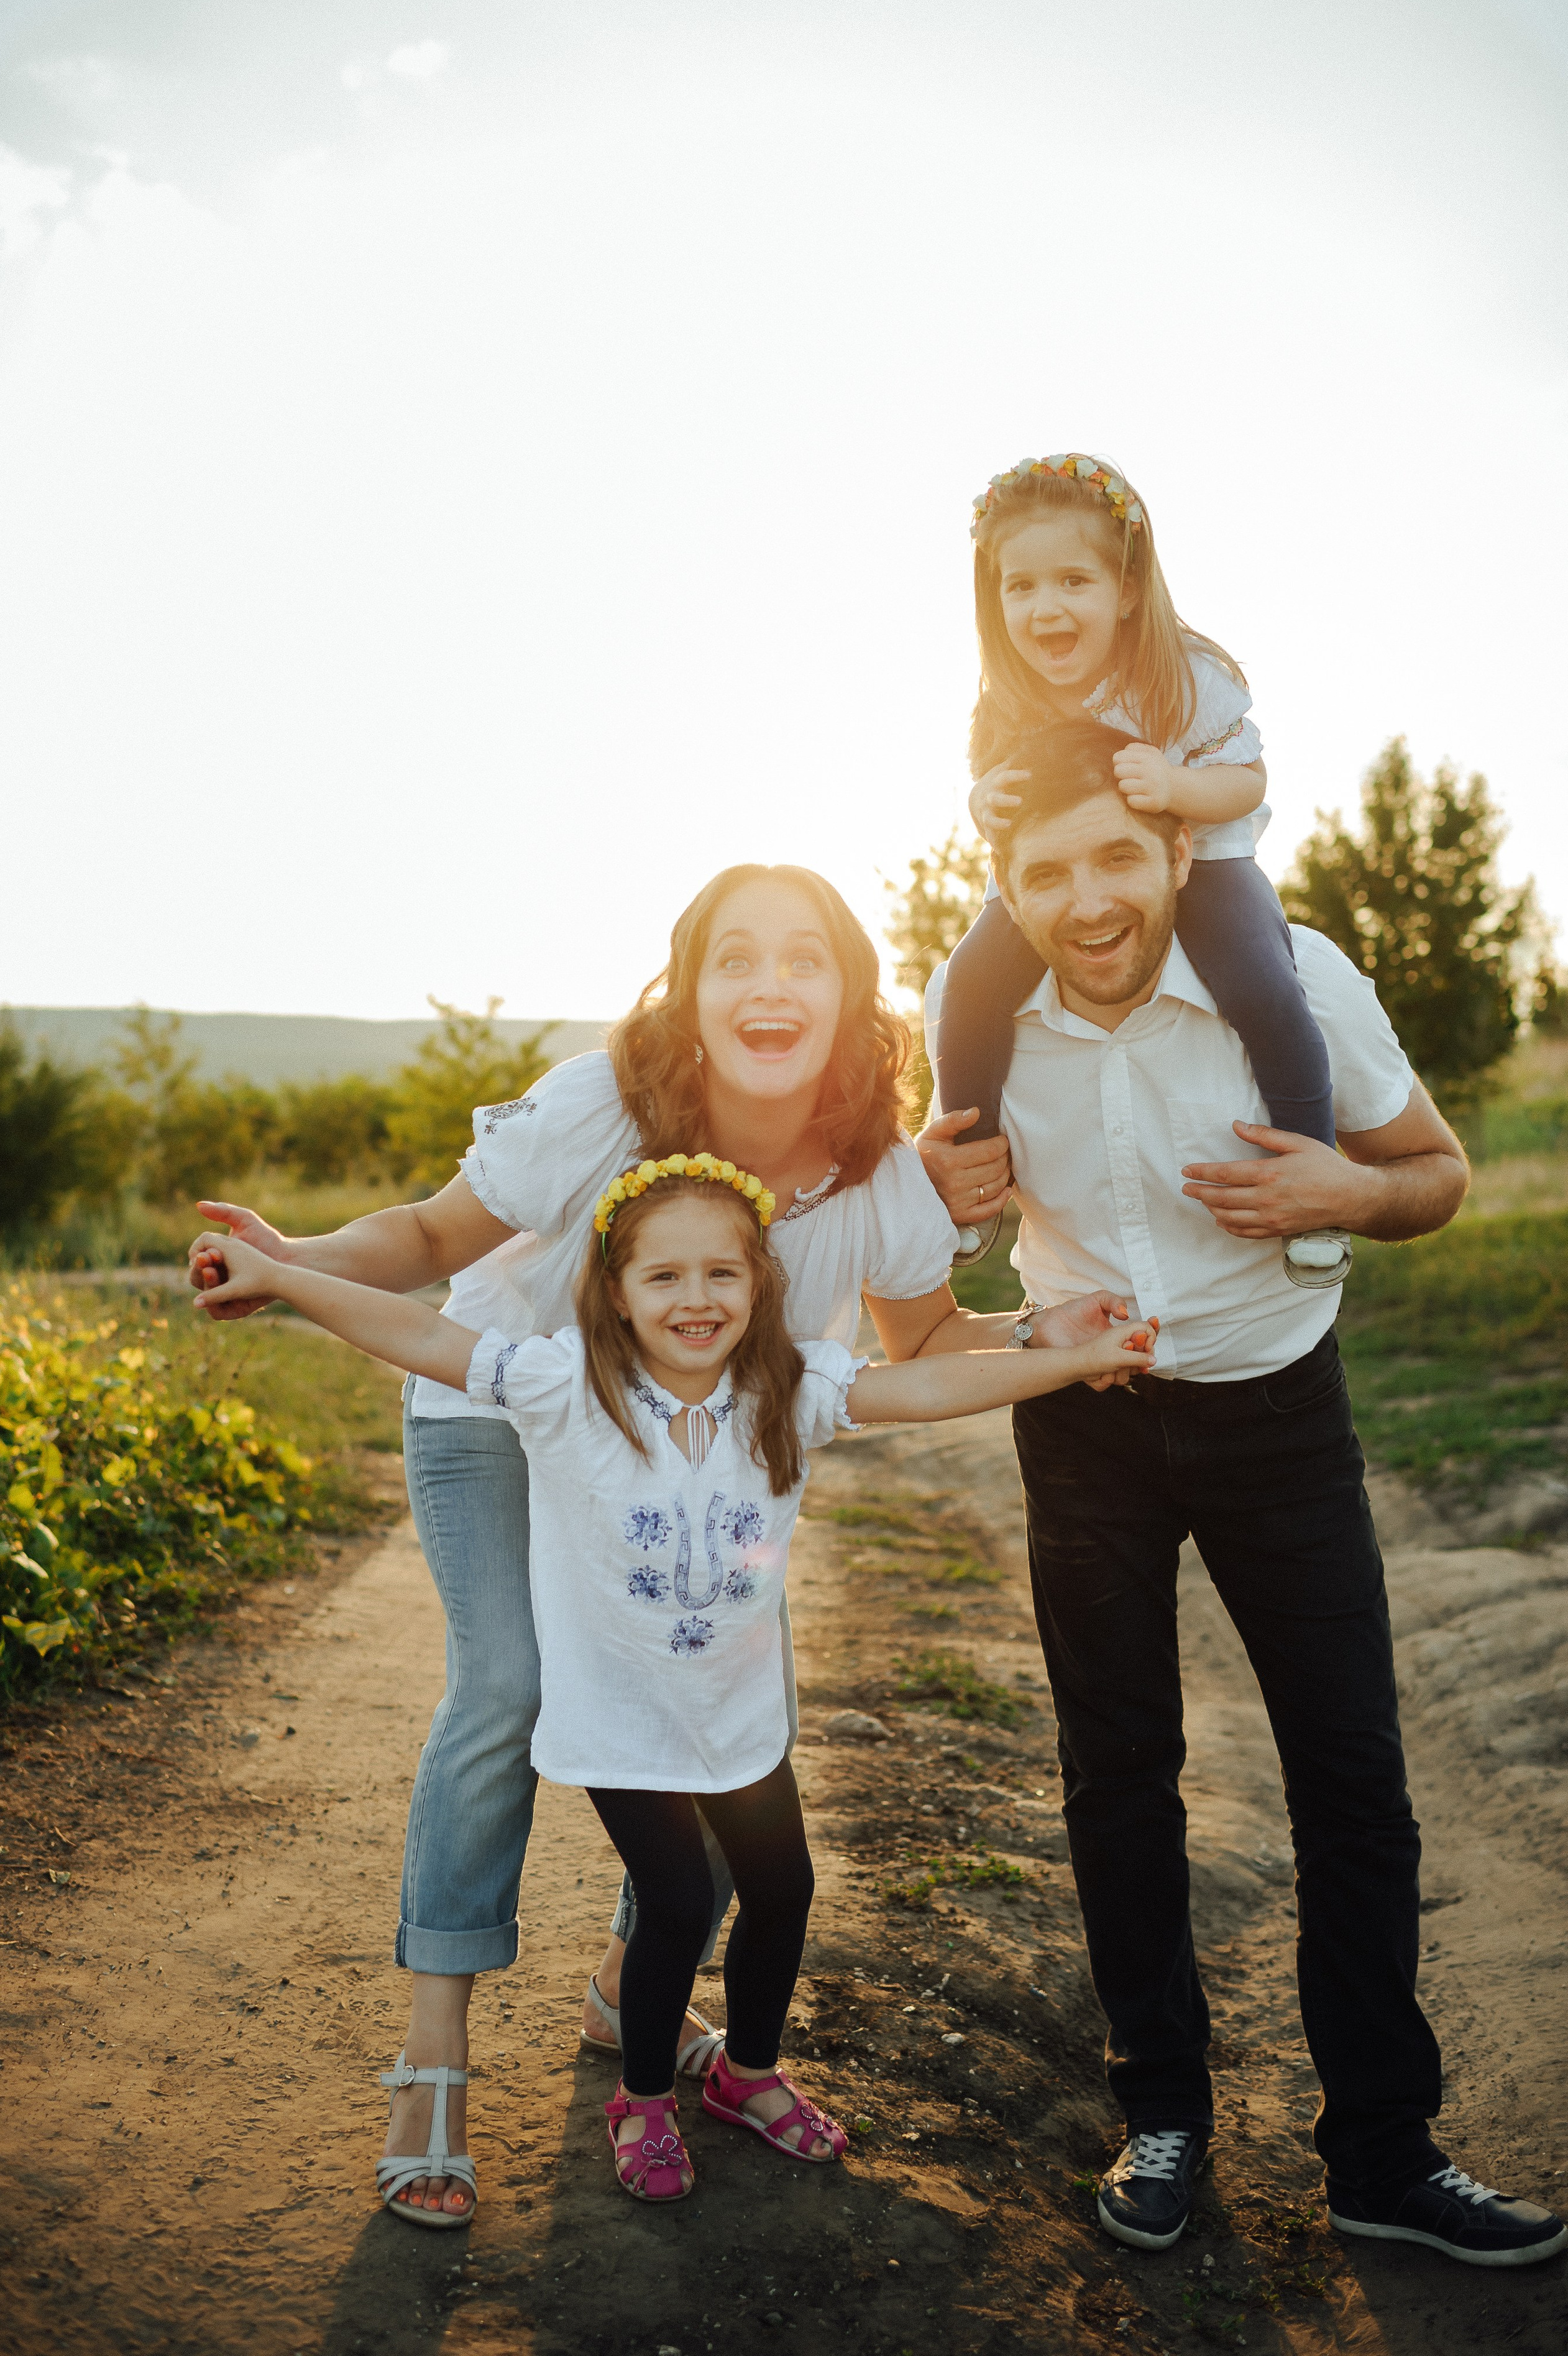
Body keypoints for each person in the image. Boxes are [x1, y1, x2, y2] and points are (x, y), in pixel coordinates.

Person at [188, 862, 1130, 2223]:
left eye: (803, 958)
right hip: (504, 1402)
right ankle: (433, 2052)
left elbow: (917, 1346)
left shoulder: (876, 1169)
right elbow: (432, 1237)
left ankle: (634, 1984)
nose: (768, 985)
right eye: (733, 957)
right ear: (689, 986)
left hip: (695, 1457)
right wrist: (295, 1260)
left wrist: (1051, 1343)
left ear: (850, 988)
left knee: (715, 1673)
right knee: (509, 1686)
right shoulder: (604, 1103)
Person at [918, 717, 1566, 2270]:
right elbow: (921, 1288)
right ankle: (1162, 2119)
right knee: (1116, 1774)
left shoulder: (1296, 976)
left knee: (1350, 1775)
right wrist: (954, 1231)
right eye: (1046, 870)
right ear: (1004, 884)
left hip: (1279, 1412)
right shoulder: (978, 1033)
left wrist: (1350, 1190)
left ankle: (1382, 2154)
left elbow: (1436, 1172)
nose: (1087, 901)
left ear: (1173, 853)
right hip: (1087, 1427)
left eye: (1116, 860)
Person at [937, 451, 1344, 1291]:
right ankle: (971, 1172)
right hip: (1061, 875)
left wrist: (1178, 788)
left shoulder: (1184, 675)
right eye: (1022, 588)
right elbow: (992, 797)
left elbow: (1251, 778)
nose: (1046, 607)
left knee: (1263, 986)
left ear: (1125, 588)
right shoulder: (1006, 698)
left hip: (1207, 864)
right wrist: (985, 806)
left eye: (1073, 582)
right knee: (970, 983)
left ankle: (1317, 1179)